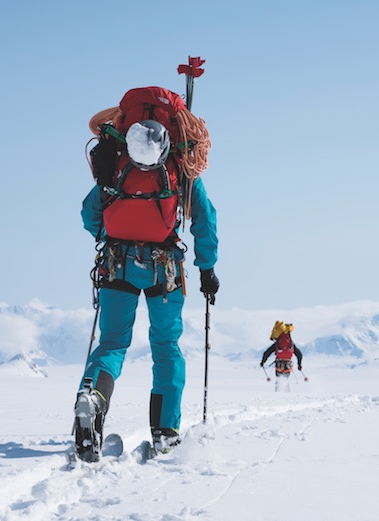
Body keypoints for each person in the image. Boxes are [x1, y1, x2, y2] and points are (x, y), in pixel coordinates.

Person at [74, 88, 219, 462]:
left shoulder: (117, 168)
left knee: (112, 344)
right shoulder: (182, 170)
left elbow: (91, 213)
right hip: (164, 271)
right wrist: (207, 269)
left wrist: (107, 240)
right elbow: (204, 219)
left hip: (116, 264)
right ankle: (166, 432)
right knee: (166, 347)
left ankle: (93, 398)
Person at [260, 321, 303, 392]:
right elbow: (299, 354)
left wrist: (262, 362)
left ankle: (278, 394)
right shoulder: (291, 344)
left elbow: (267, 353)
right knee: (285, 379)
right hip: (288, 364)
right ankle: (286, 394)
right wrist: (299, 365)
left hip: (279, 364)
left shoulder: (277, 344)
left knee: (279, 379)